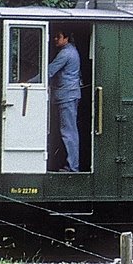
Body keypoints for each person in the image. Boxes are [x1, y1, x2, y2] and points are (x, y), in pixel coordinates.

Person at [47, 30, 82, 172]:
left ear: (66, 38)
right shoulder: (71, 51)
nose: (55, 39)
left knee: (68, 132)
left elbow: (49, 71)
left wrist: (28, 81)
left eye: (58, 37)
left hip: (66, 96)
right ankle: (71, 165)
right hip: (66, 95)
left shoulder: (66, 53)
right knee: (67, 131)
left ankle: (73, 167)